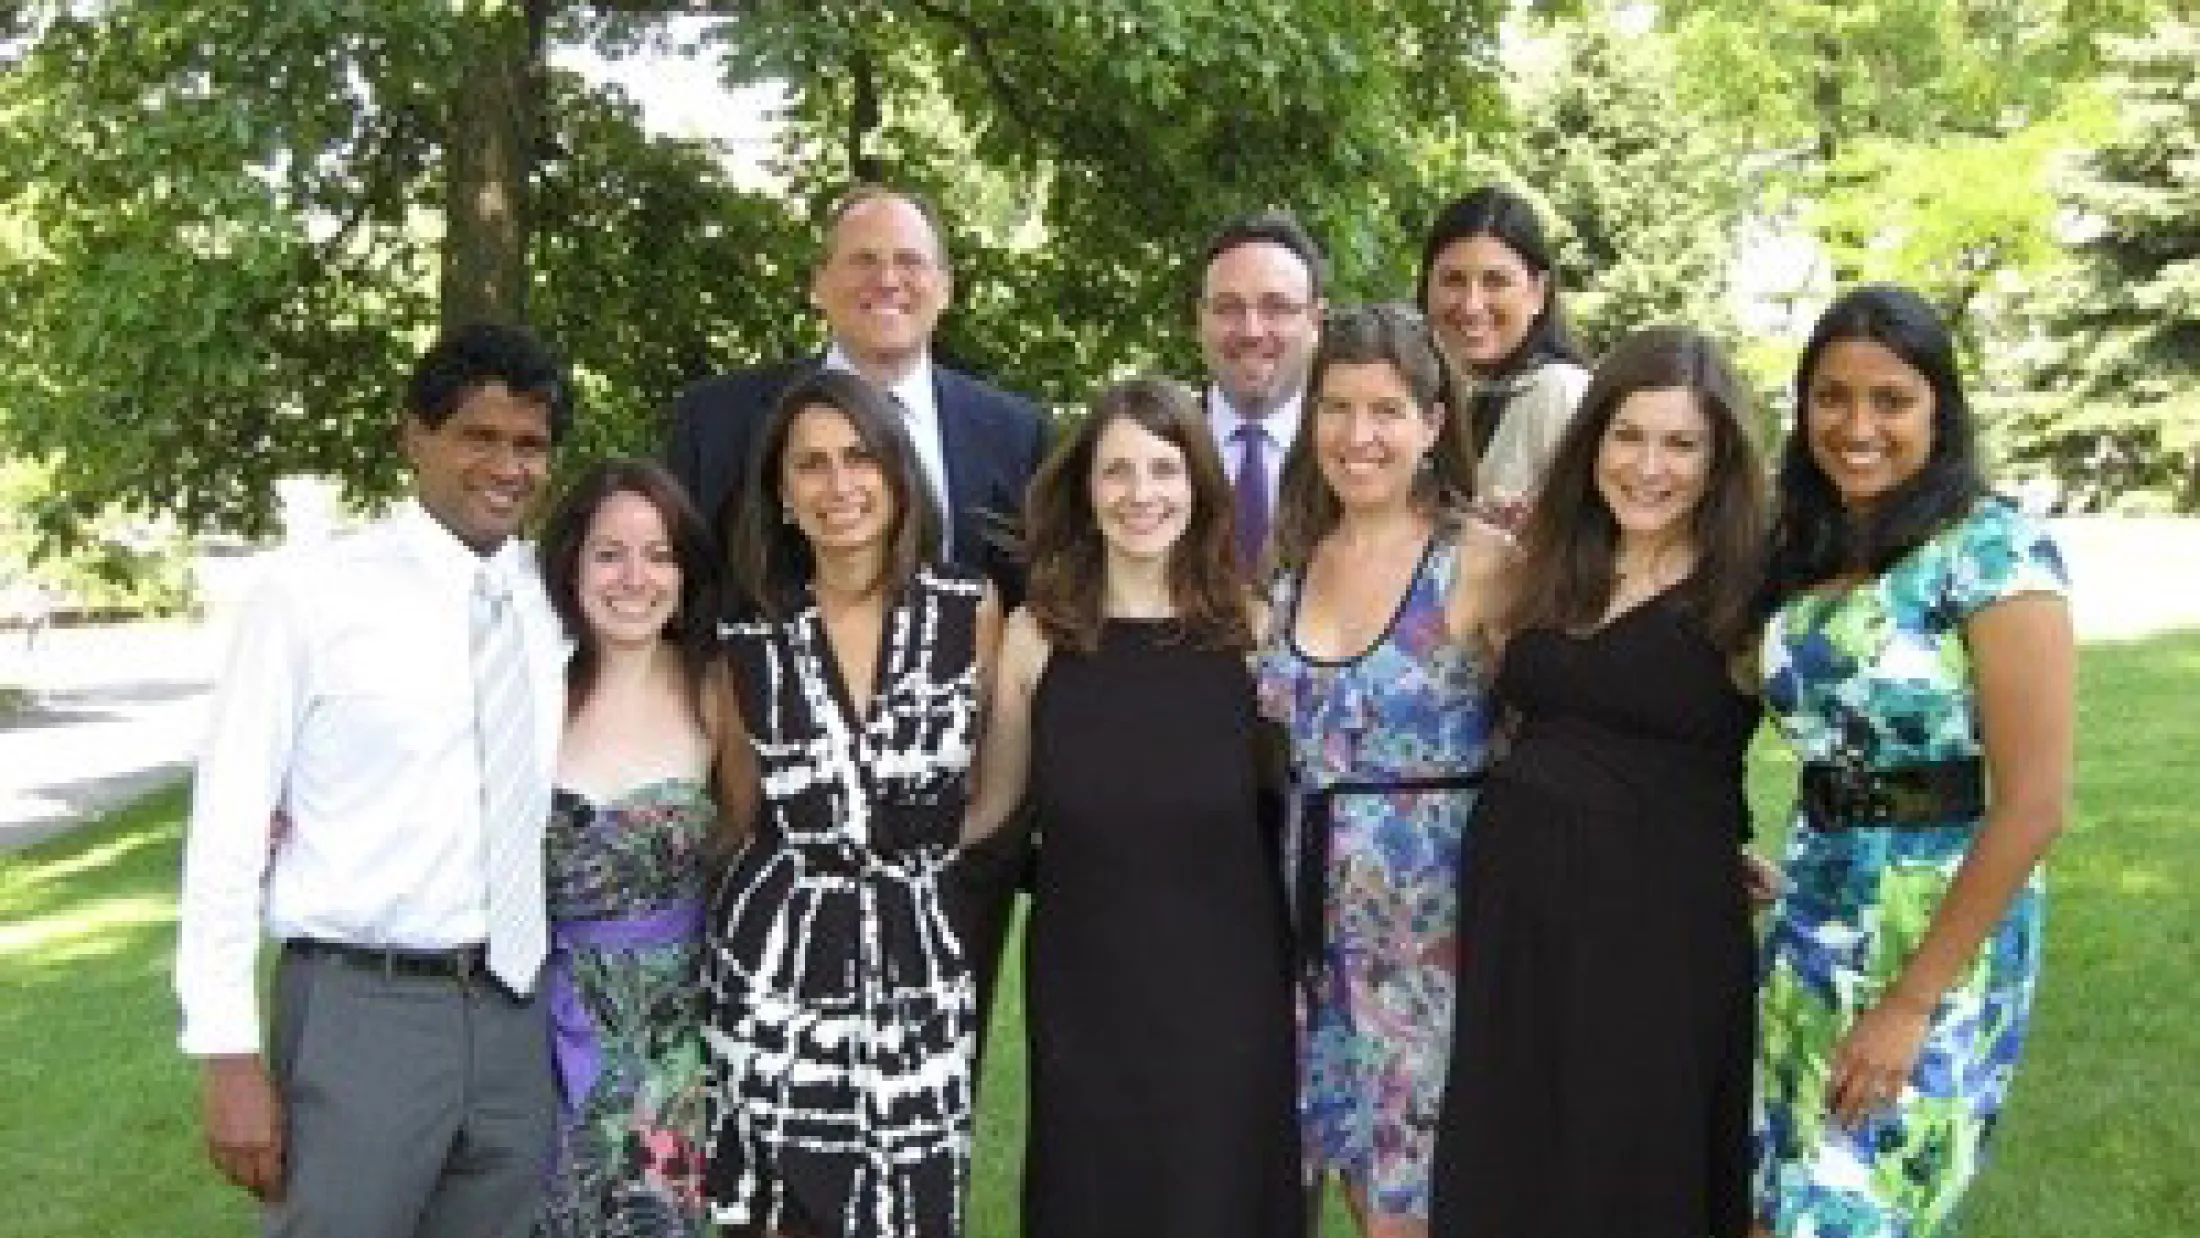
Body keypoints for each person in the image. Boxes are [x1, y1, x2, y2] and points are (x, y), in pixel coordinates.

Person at [175, 323, 573, 1236]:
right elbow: (229, 825)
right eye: (479, 435)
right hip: (362, 1010)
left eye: (530, 445)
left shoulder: (555, 603)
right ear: (416, 437)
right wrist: (227, 1050)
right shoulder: (313, 597)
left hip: (517, 1012)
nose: (506, 465)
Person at [663, 185, 1047, 1062]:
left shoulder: (1013, 432)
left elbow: (1031, 633)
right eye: (862, 261)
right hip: (777, 857)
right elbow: (687, 619)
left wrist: (985, 835)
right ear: (820, 284)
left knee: (926, 1123)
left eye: (910, 261)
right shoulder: (719, 422)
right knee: (781, 1137)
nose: (888, 281)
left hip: (951, 865)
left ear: (945, 286)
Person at [1429, 327, 1770, 1238]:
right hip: (1517, 913)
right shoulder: (1547, 560)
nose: (1649, 466)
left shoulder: (1752, 590)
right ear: (1593, 443)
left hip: (1657, 928)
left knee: (1630, 1170)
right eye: (1628, 436)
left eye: (1681, 444)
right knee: (1512, 1170)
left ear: (1720, 458)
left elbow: (1846, 727)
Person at [1752, 285, 2075, 1237]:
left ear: (1940, 407)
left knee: (1855, 1212)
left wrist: (1911, 1002)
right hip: (1812, 913)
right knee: (1774, 1205)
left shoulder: (1994, 553)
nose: (1858, 426)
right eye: (1831, 397)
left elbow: (2035, 804)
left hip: (1935, 932)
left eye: (1890, 400)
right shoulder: (1806, 547)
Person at [967, 377, 1302, 1238]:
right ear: (1085, 488)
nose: (1141, 495)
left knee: (1214, 1202)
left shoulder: (1252, 633)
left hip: (1227, 990)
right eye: (1117, 471)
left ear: (1198, 484)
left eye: (1163, 469)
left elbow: (1295, 799)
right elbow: (990, 811)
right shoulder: (1036, 637)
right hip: (1086, 989)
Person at [701, 369, 1001, 1238]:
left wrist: (923, 866)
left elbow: (986, 790)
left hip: (920, 968)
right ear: (783, 495)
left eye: (860, 458)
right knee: (780, 1218)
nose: (839, 487)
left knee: (911, 1211)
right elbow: (740, 818)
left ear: (900, 475)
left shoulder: (967, 611)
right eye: (812, 466)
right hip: (778, 974)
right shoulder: (748, 638)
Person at [1255, 303, 1505, 1238]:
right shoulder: (1292, 566)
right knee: (1340, 1187)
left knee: (1420, 1207)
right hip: (1308, 929)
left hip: (1434, 940)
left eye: (1387, 411)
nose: (1358, 436)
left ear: (1433, 425)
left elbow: (1574, 715)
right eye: (1337, 408)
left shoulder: (1478, 563)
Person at [533, 459, 759, 1237]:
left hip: (674, 1053)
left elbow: (754, 843)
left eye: (659, 555)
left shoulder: (715, 688)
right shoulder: (527, 689)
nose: (635, 578)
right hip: (528, 1035)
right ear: (570, 565)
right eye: (609, 554)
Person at [1415, 186, 1591, 521]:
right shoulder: (1423, 392)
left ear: (1538, 293)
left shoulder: (1560, 394)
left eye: (1495, 281)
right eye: (1452, 280)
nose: (1471, 305)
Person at [1194, 208, 1328, 572]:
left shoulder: (1355, 454)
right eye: (1228, 308)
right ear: (1199, 321)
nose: (1252, 331)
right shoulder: (1156, 444)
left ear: (1315, 322)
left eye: (1277, 307)